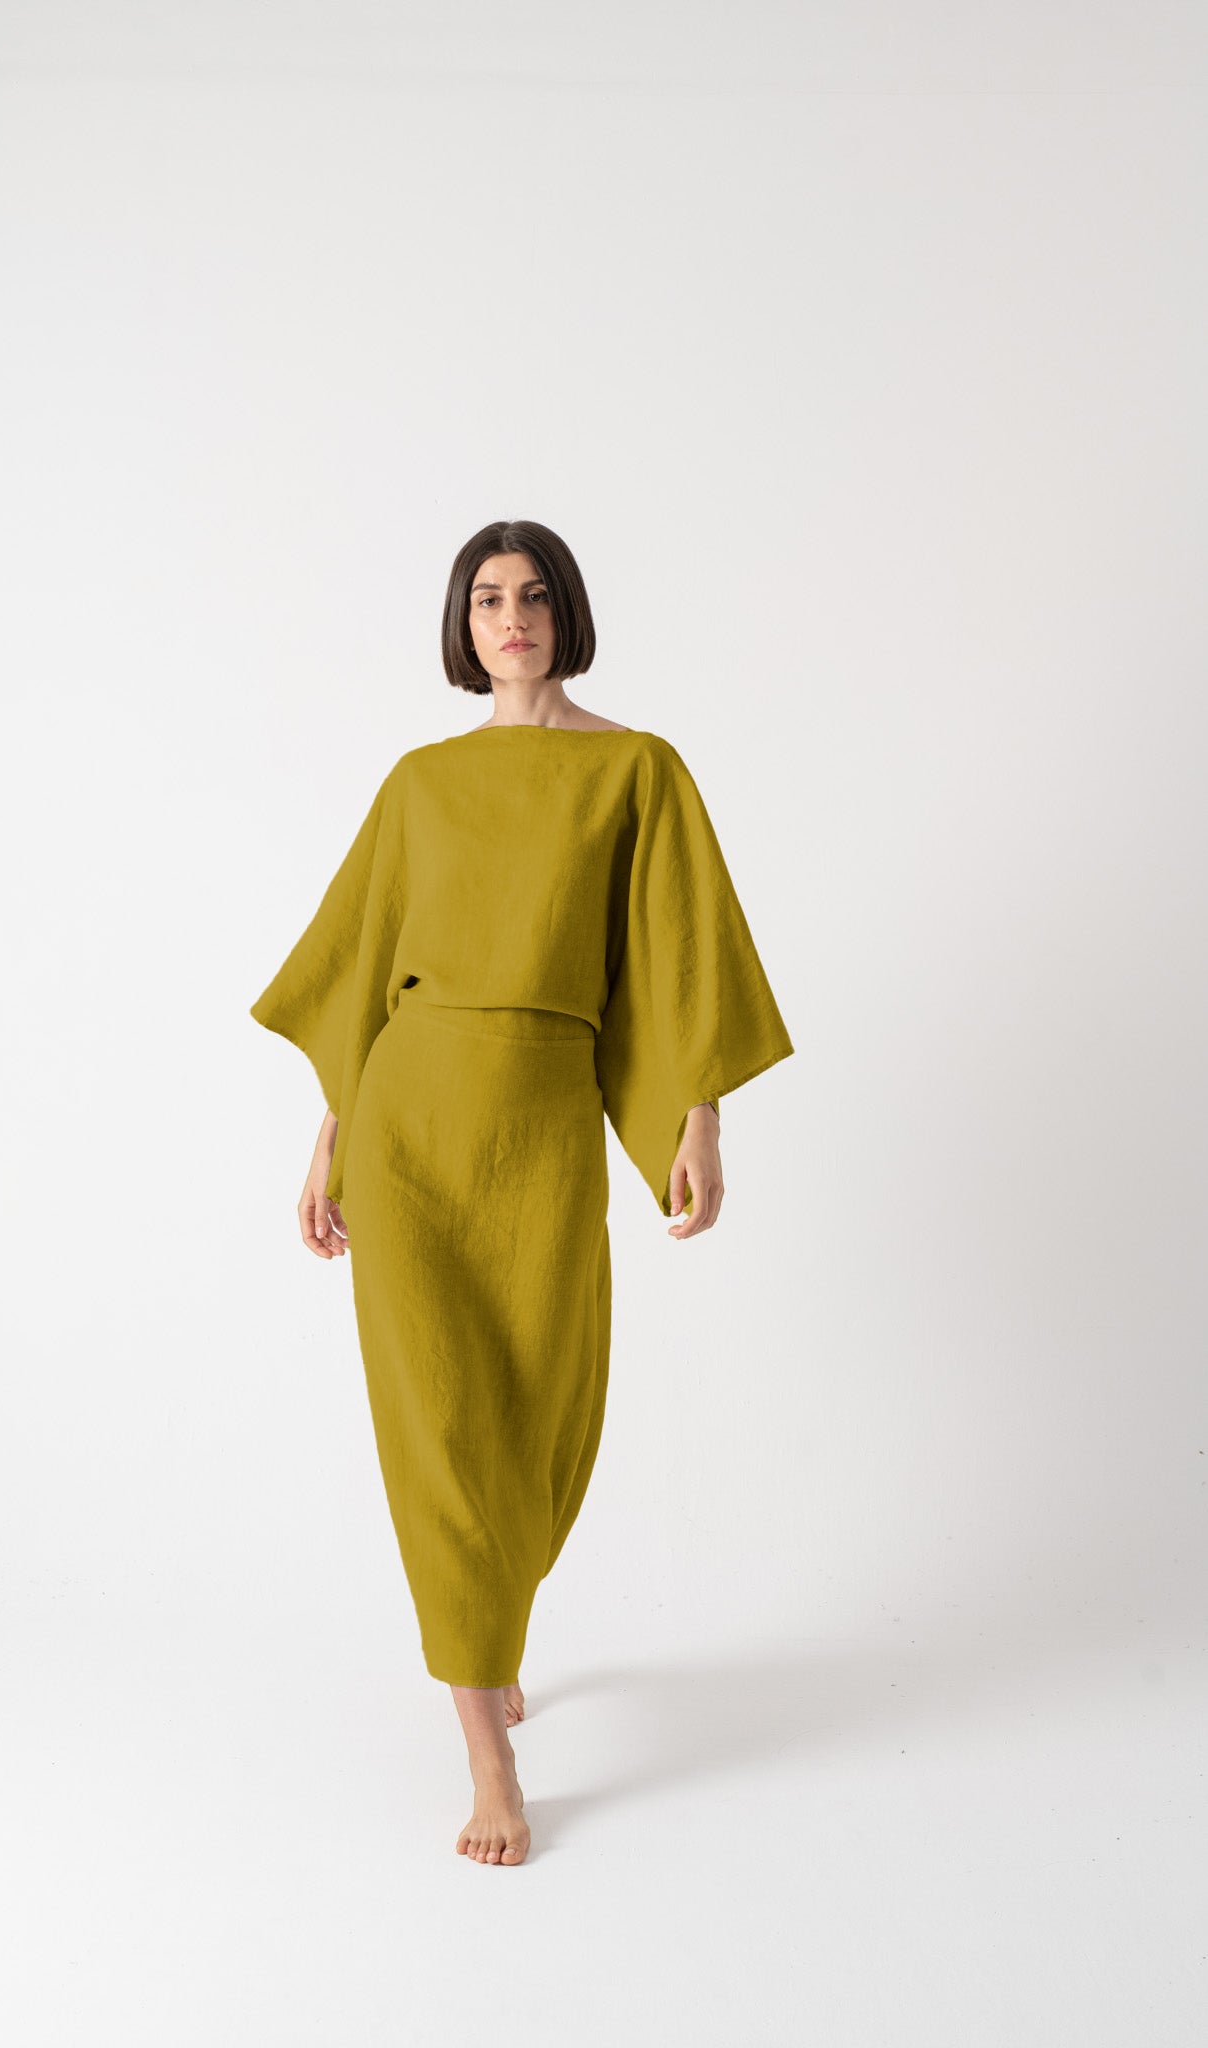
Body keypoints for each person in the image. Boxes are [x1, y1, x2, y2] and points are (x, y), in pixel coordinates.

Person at [250, 518, 794, 1866]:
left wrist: (697, 1116)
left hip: (543, 1127)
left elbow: (677, 959)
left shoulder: (635, 771)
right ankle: (487, 1750)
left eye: (534, 594)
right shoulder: (421, 784)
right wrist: (329, 1141)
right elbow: (366, 971)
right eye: (487, 598)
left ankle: (488, 1624)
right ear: (463, 624)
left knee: (545, 1414)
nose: (511, 617)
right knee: (438, 1425)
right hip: (410, 1128)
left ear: (566, 614)